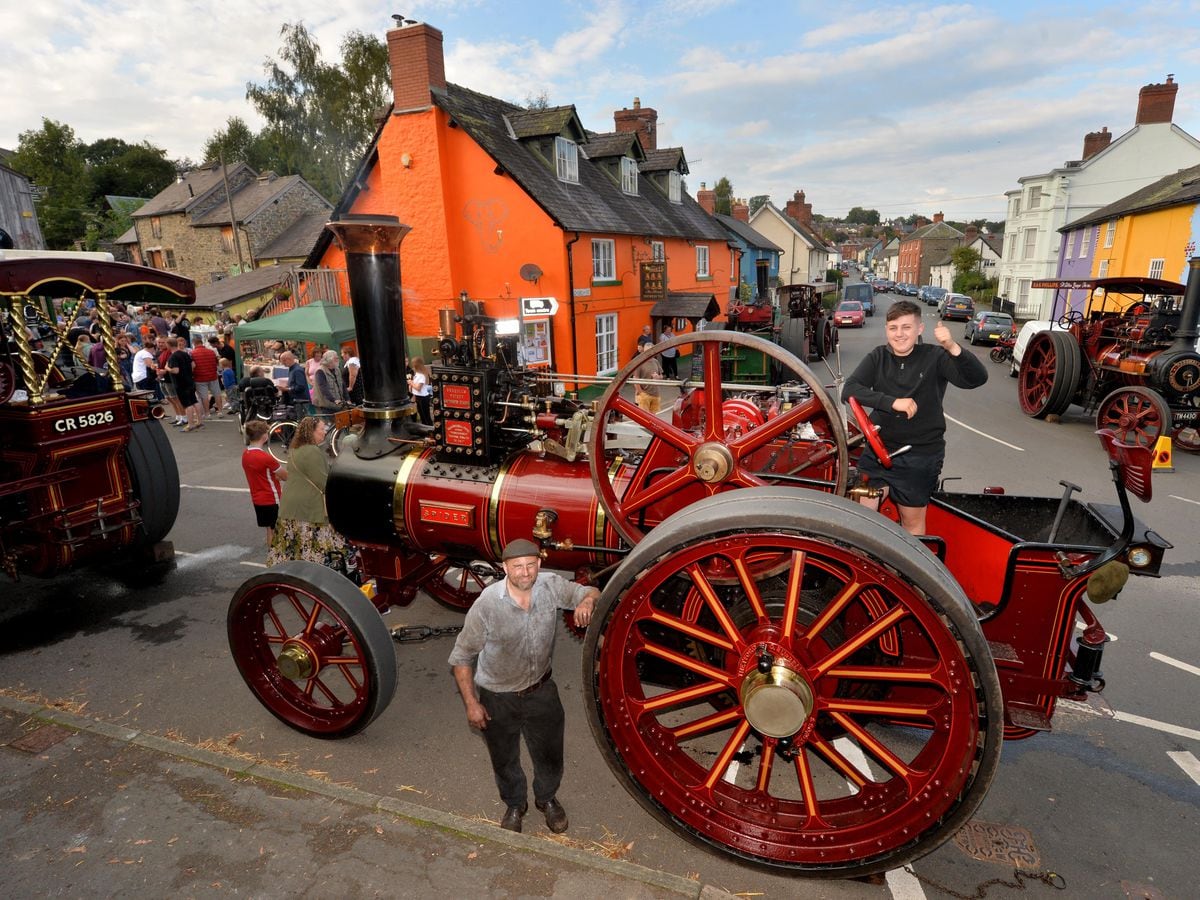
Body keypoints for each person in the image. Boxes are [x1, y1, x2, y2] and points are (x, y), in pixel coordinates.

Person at [447, 539, 598, 835]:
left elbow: (591, 590)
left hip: (541, 690)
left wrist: (587, 601)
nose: (525, 572)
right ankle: (515, 804)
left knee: (550, 753)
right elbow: (462, 658)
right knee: (504, 758)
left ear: (539, 565)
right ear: (505, 568)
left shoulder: (550, 585)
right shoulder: (488, 604)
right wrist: (472, 704)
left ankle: (546, 799)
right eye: (517, 566)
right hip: (498, 696)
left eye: (530, 565)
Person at [842, 299, 988, 536]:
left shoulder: (935, 357)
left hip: (920, 454)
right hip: (878, 451)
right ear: (886, 330)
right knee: (864, 523)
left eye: (906, 327)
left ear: (920, 329)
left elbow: (976, 379)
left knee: (911, 524)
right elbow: (849, 390)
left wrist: (952, 346)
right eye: (893, 328)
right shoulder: (878, 357)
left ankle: (906, 571)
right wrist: (892, 402)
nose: (899, 334)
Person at [267, 417, 351, 567]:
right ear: (311, 432)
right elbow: (323, 482)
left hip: (290, 506)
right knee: (314, 553)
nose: (324, 432)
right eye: (321, 429)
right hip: (308, 508)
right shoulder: (312, 451)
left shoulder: (295, 449)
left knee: (290, 553)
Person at [241, 419, 287, 545]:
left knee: (270, 530)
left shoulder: (246, 454)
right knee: (278, 531)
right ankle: (277, 558)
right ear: (264, 436)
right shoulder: (266, 458)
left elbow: (260, 473)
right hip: (272, 498)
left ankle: (273, 558)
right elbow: (285, 476)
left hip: (257, 499)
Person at [163, 336, 203, 431]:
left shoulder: (173, 357)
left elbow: (176, 371)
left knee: (187, 404)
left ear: (168, 345)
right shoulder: (185, 354)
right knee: (194, 401)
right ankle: (200, 421)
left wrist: (167, 368)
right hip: (189, 380)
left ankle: (191, 424)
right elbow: (193, 365)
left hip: (180, 383)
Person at [190, 335, 221, 419]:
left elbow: (193, 366)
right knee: (217, 394)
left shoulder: (192, 353)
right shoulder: (211, 352)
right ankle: (220, 411)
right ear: (201, 342)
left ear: (194, 343)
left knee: (204, 396)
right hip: (213, 376)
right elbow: (216, 363)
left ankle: (207, 413)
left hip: (200, 378)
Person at [312, 349, 349, 417]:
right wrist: (334, 400)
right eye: (336, 358)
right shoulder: (320, 371)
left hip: (338, 405)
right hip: (326, 406)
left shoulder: (337, 369)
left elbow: (343, 385)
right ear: (329, 360)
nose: (338, 359)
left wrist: (348, 399)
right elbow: (323, 388)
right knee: (329, 425)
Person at [408, 356, 432, 425]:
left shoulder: (422, 375)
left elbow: (418, 388)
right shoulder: (417, 374)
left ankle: (429, 430)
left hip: (423, 398)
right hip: (418, 397)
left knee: (426, 416)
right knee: (422, 416)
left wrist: (411, 383)